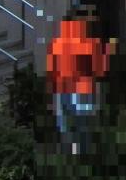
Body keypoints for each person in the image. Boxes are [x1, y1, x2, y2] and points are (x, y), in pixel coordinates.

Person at [46, 12, 114, 155]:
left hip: (61, 90)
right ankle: (82, 157)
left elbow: (51, 71)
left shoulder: (56, 43)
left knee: (65, 130)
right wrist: (107, 52)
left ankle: (69, 155)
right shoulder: (90, 44)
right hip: (83, 90)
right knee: (83, 129)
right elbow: (99, 70)